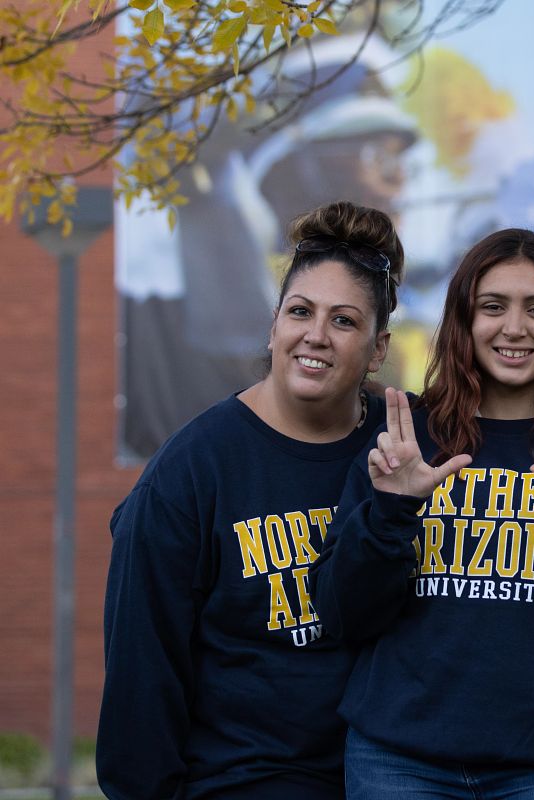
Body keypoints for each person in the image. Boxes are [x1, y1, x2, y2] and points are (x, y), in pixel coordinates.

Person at [310, 228, 534, 799]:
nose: (514, 328)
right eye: (493, 306)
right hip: (397, 763)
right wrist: (390, 514)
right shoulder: (406, 439)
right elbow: (343, 615)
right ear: (464, 319)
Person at [97, 200, 402, 799]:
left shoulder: (404, 446)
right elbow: (142, 666)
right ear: (274, 324)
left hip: (389, 776)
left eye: (344, 321)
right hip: (244, 780)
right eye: (300, 311)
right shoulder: (190, 472)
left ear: (378, 348)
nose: (316, 335)